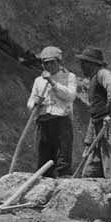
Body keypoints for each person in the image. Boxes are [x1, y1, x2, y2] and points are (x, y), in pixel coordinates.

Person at [75, 47, 111, 179]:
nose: (81, 66)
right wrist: (88, 142)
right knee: (90, 173)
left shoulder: (103, 74)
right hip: (99, 130)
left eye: (83, 63)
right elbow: (95, 114)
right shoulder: (93, 81)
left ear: (91, 64)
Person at [25, 46, 77, 178]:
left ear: (59, 62)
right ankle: (44, 183)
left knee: (62, 156)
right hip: (43, 121)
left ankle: (63, 181)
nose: (48, 66)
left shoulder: (69, 77)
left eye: (52, 62)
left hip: (61, 121)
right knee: (44, 157)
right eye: (45, 63)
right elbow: (30, 102)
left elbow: (70, 96)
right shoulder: (38, 81)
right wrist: (35, 103)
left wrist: (52, 82)